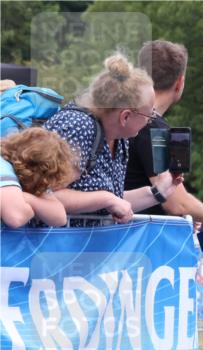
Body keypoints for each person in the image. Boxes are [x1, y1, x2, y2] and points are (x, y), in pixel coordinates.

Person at [44, 53, 182, 224]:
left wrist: (158, 192)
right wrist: (107, 199)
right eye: (149, 114)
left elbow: (113, 202)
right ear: (125, 117)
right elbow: (46, 194)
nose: (151, 120)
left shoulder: (120, 138)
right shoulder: (77, 127)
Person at [125, 40, 203, 249]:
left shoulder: (121, 118)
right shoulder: (154, 128)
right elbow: (175, 202)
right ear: (180, 83)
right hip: (139, 249)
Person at [1, 127, 77, 228]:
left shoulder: (30, 178)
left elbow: (59, 217)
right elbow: (16, 217)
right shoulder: (3, 166)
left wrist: (26, 198)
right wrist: (30, 208)